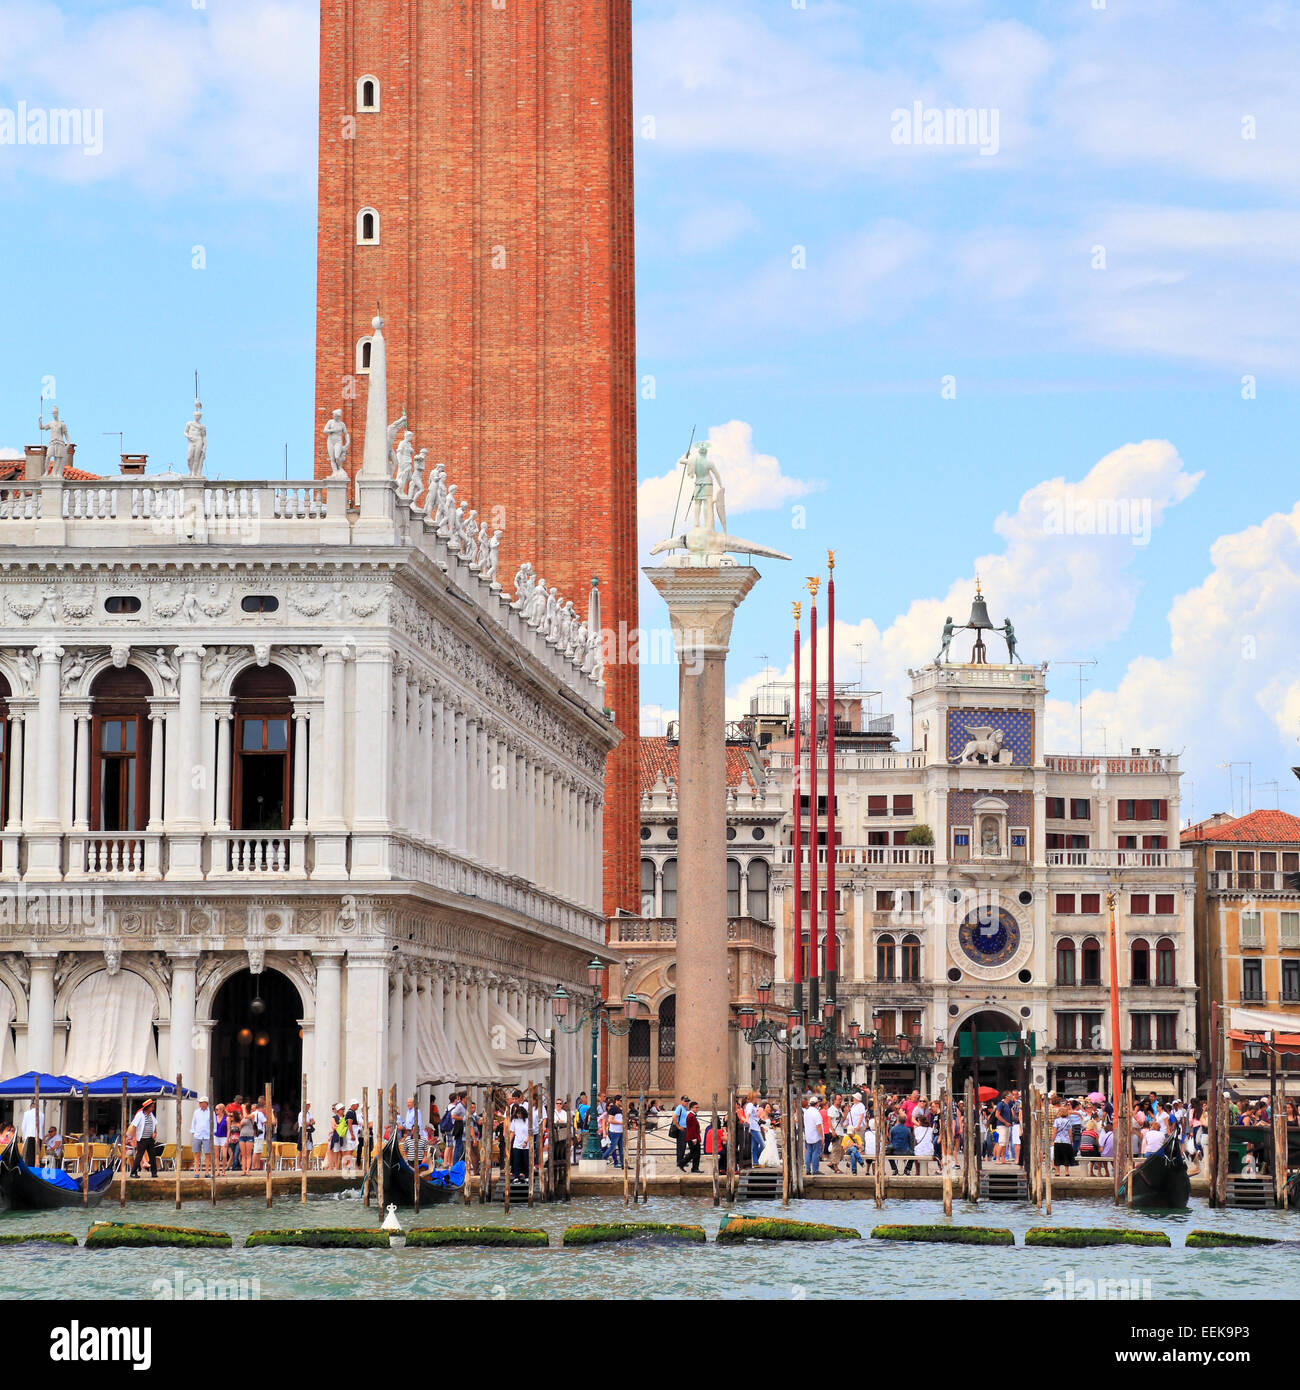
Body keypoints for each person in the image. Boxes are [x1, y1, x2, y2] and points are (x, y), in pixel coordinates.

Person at [130, 1098, 161, 1178]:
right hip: (142, 1139)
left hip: (150, 1139)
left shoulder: (151, 1115)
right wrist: (134, 1138)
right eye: (152, 1107)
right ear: (148, 1107)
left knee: (152, 1155)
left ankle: (154, 1173)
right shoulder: (140, 1115)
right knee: (139, 1156)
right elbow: (134, 1126)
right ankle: (133, 1172)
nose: (153, 1108)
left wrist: (155, 1132)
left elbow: (154, 1124)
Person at [191, 1096, 214, 1176]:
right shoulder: (196, 1112)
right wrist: (193, 1132)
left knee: (207, 1154)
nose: (200, 1104)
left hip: (207, 1135)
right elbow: (194, 1122)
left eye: (201, 1102)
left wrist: (213, 1132)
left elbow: (213, 1123)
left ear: (206, 1103)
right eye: (200, 1103)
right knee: (197, 1153)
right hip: (198, 1135)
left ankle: (207, 1172)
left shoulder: (211, 1112)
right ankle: (197, 1171)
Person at [803, 1095, 824, 1175]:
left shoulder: (806, 1112)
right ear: (817, 1104)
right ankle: (815, 1170)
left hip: (808, 1136)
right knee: (816, 1153)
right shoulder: (816, 1113)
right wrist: (822, 1137)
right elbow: (818, 1126)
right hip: (815, 1136)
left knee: (808, 1152)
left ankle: (808, 1170)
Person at [1051, 1104, 1074, 1175]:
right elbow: (1070, 1133)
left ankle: (1057, 1172)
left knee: (1057, 1156)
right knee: (1066, 1156)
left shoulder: (1056, 1121)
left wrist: (1052, 1140)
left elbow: (1054, 1131)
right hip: (1066, 1141)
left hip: (1058, 1140)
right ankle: (1066, 1172)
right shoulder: (1068, 1121)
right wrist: (1071, 1141)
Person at [508, 1104, 530, 1181]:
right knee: (516, 1161)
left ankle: (527, 1176)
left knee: (525, 1161)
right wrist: (509, 1141)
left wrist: (526, 1141)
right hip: (516, 1143)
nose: (519, 1115)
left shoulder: (528, 1121)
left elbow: (530, 1133)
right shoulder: (514, 1121)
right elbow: (512, 1132)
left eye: (520, 1113)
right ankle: (516, 1176)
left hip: (525, 1144)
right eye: (518, 1113)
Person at [682, 1100, 702, 1173]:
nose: (697, 1109)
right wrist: (694, 1139)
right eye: (695, 1107)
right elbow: (691, 1129)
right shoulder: (691, 1116)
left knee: (694, 1153)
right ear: (691, 1108)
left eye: (698, 1107)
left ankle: (692, 1167)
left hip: (693, 1137)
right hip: (692, 1138)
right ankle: (685, 1164)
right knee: (695, 1153)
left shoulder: (692, 1116)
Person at [671, 1094, 690, 1170]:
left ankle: (681, 1161)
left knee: (683, 1146)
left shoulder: (684, 1108)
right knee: (681, 1146)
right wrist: (678, 1126)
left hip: (685, 1128)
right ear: (681, 1101)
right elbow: (674, 1117)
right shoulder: (680, 1107)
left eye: (687, 1101)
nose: (686, 1102)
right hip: (681, 1129)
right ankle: (680, 1161)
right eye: (685, 1101)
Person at [607, 1100, 625, 1169]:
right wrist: (621, 1123)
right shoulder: (613, 1109)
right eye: (610, 1106)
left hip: (619, 1131)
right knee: (612, 1147)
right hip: (614, 1131)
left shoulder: (620, 1109)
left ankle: (622, 1163)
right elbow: (610, 1120)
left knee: (620, 1149)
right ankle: (603, 1158)